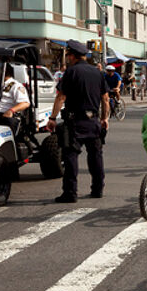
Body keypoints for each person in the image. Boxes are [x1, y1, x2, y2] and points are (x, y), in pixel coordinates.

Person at [47, 42, 109, 203]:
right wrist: (104, 118)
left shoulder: (71, 72)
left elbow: (61, 96)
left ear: (72, 56)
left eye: (68, 55)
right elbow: (106, 98)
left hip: (75, 122)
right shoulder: (97, 73)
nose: (67, 59)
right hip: (93, 120)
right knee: (96, 156)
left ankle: (70, 193)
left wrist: (52, 118)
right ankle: (97, 189)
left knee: (71, 157)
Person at [0, 64, 30, 132]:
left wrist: (11, 110)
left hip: (5, 116)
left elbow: (25, 103)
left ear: (1, 72)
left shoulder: (15, 86)